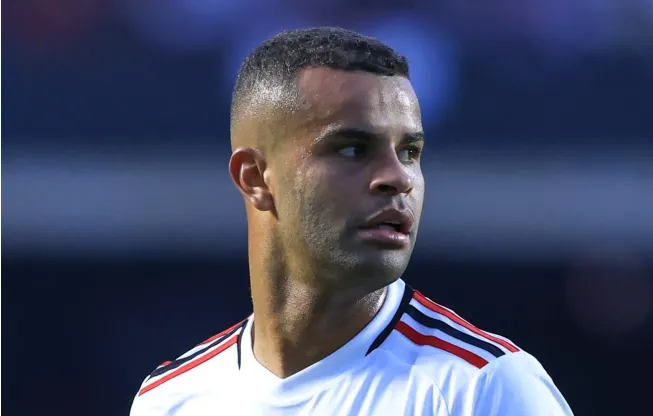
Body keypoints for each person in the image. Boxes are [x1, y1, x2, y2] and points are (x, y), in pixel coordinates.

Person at [130, 27, 573, 415]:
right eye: (352, 148)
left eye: (410, 152)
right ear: (255, 178)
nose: (398, 179)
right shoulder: (171, 400)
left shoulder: (482, 390)